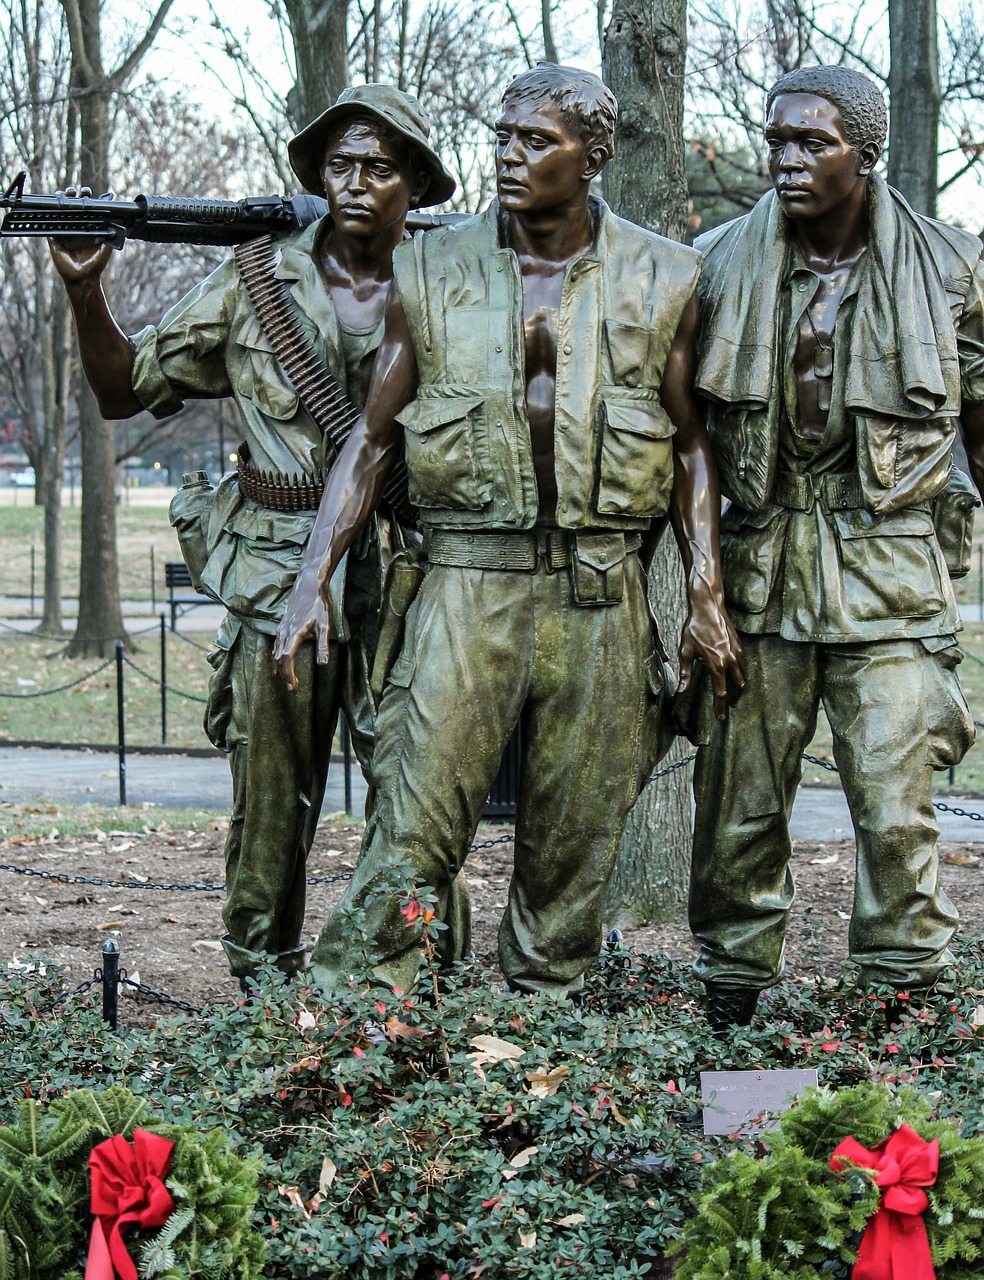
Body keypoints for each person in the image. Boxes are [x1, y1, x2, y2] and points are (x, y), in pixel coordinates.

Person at [273, 63, 745, 998]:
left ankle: (541, 1041)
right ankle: (358, 1036)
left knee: (573, 847)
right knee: (412, 825)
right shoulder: (429, 267)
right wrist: (310, 579)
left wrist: (704, 595)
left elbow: (694, 448)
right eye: (502, 136)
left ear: (594, 155)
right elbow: (370, 442)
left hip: (600, 590)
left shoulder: (668, 275)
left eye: (537, 141)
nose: (509, 156)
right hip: (465, 583)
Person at [48, 85, 456, 985]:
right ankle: (260, 983)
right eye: (337, 165)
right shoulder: (255, 280)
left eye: (379, 167)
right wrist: (87, 295)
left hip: (406, 574)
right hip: (277, 573)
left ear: (415, 184)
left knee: (419, 788)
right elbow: (124, 391)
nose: (354, 183)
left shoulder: (451, 280)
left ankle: (412, 979)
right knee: (270, 799)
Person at [689, 64, 984, 1030]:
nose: (786, 161)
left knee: (897, 807)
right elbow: (679, 435)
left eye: (813, 143)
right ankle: (732, 997)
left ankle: (903, 1008)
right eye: (776, 141)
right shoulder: (717, 263)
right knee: (739, 804)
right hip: (761, 564)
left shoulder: (947, 270)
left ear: (868, 151)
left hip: (889, 566)